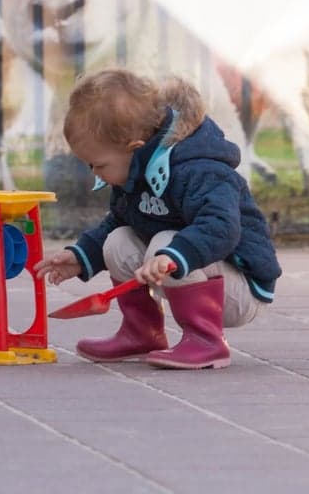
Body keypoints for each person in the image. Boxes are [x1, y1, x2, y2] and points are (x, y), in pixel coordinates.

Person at [33, 68, 281, 369]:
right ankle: (142, 333)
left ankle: (206, 340)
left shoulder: (200, 168)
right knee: (118, 241)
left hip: (239, 289)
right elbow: (120, 221)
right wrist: (81, 256)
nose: (94, 173)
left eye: (98, 164)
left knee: (165, 240)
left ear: (134, 149)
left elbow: (222, 227)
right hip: (180, 269)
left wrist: (173, 255)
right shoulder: (134, 171)